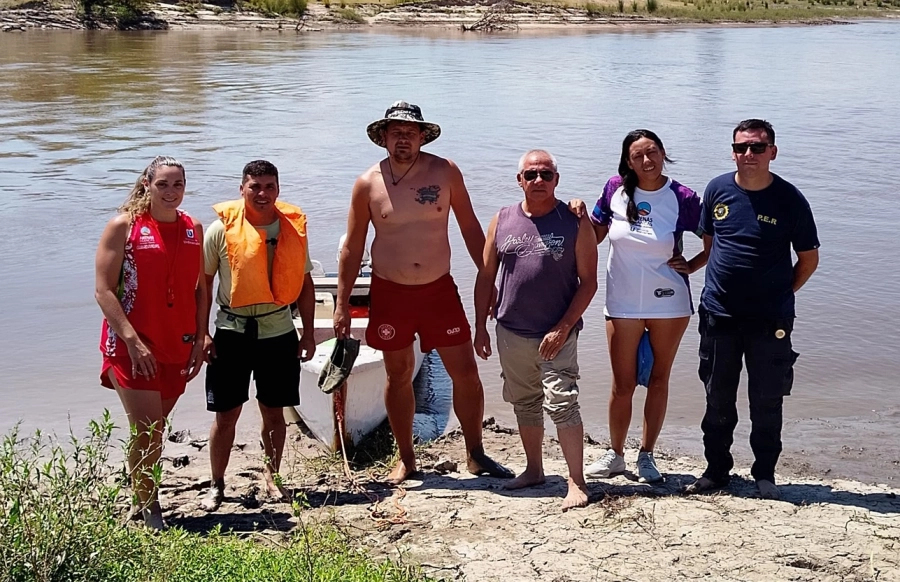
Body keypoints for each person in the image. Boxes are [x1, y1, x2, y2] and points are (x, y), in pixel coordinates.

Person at [334, 100, 513, 485]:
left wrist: (489, 279)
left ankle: (475, 453)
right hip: (390, 292)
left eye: (411, 132)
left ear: (422, 137)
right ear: (383, 137)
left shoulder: (445, 171)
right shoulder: (367, 183)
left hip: (438, 291)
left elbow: (470, 227)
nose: (403, 139)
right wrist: (342, 304)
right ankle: (406, 458)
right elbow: (352, 247)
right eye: (396, 132)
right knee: (398, 374)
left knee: (466, 372)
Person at [683, 119, 819, 500]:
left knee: (767, 400)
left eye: (757, 147)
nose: (749, 154)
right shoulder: (717, 189)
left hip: (770, 320)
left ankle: (765, 474)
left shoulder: (790, 199)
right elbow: (711, 245)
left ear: (772, 152)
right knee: (717, 398)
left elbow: (809, 260)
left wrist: (779, 293)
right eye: (741, 147)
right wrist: (692, 269)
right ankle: (716, 471)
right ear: (733, 152)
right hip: (719, 314)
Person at [576, 130, 706, 483]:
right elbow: (595, 234)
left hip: (669, 301)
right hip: (622, 300)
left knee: (659, 380)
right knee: (623, 383)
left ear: (663, 153)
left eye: (652, 152)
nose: (647, 161)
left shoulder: (683, 196)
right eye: (638, 155)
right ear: (628, 161)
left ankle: (647, 455)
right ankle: (616, 455)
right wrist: (579, 216)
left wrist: (692, 265)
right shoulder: (615, 188)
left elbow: (713, 239)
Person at [474, 150, 598, 511]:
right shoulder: (502, 219)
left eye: (546, 174)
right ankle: (533, 470)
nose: (538, 180)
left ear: (557, 179)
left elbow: (589, 282)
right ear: (520, 181)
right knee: (525, 401)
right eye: (531, 175)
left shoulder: (575, 221)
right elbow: (486, 277)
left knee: (563, 402)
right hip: (511, 330)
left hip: (557, 332)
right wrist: (479, 326)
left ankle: (576, 481)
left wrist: (563, 328)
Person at [95, 156, 207, 529]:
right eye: (163, 184)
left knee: (154, 427)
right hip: (133, 347)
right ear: (147, 185)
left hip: (177, 344)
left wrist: (200, 338)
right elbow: (103, 290)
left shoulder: (193, 227)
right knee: (148, 431)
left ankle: (138, 499)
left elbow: (201, 290)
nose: (171, 192)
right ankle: (151, 510)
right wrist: (133, 340)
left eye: (178, 184)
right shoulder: (124, 226)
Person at [201, 160, 317, 511]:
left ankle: (272, 477)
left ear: (278, 189)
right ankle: (217, 483)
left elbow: (305, 284)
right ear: (242, 189)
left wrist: (308, 334)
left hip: (278, 331)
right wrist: (202, 334)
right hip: (231, 332)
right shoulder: (220, 230)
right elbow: (203, 285)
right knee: (226, 414)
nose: (262, 193)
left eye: (269, 186)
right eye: (255, 186)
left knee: (274, 412)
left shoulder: (291, 229)